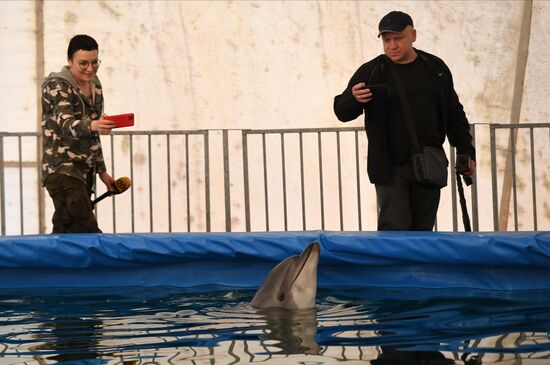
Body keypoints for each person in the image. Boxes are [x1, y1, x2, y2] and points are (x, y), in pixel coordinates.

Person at [333, 11, 476, 231]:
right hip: (389, 169)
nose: (392, 45)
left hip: (428, 164)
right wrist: (353, 99)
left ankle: (419, 267)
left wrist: (466, 152)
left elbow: (454, 114)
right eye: (386, 40)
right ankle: (394, 267)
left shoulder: (435, 68)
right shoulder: (371, 71)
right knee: (393, 232)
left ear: (413, 35)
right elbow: (342, 112)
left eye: (398, 38)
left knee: (423, 233)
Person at [41, 34, 117, 233]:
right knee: (86, 229)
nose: (90, 68)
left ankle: (45, 264)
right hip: (62, 170)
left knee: (65, 229)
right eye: (83, 63)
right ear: (69, 61)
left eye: (95, 62)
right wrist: (94, 125)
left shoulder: (95, 85)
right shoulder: (56, 86)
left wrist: (102, 171)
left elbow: (93, 132)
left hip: (85, 172)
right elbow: (66, 123)